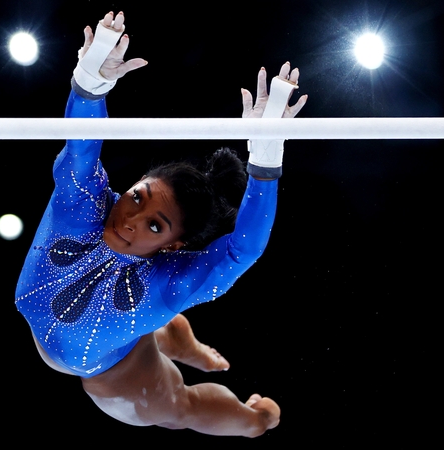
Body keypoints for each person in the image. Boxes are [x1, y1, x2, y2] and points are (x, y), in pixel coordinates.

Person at [15, 11, 307, 438]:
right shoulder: (81, 205)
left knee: (176, 408)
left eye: (155, 226)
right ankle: (184, 345)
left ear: (174, 245)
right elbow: (80, 143)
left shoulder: (168, 280)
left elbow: (241, 251)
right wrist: (90, 86)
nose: (131, 218)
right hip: (121, 331)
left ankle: (256, 420)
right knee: (158, 328)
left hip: (112, 368)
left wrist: (265, 162)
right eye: (137, 196)